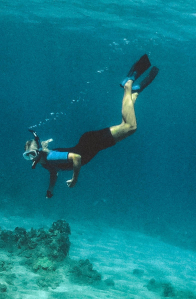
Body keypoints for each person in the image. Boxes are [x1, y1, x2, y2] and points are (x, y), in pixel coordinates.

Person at [23, 54, 159, 198]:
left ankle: (129, 84)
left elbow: (76, 157)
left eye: (32, 154)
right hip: (93, 145)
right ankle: (134, 94)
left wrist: (75, 179)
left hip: (92, 143)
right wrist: (50, 190)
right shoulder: (46, 163)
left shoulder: (50, 157)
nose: (31, 159)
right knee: (126, 126)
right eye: (27, 156)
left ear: (38, 150)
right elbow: (53, 173)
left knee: (130, 127)